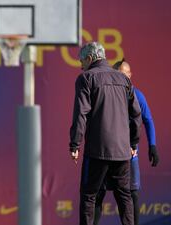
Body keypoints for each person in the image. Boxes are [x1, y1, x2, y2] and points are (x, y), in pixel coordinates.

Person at [69, 42, 142, 225]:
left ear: (90, 58)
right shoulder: (124, 79)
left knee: (89, 196)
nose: (80, 65)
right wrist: (133, 143)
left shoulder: (85, 78)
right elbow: (136, 114)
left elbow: (81, 114)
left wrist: (75, 144)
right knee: (124, 197)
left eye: (82, 61)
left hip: (97, 151)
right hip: (122, 152)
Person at [93, 59, 160, 225]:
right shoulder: (107, 95)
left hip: (129, 154)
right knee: (97, 193)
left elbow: (148, 120)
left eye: (126, 74)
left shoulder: (137, 95)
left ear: (130, 75)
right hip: (107, 152)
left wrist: (152, 146)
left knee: (132, 194)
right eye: (119, 74)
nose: (123, 77)